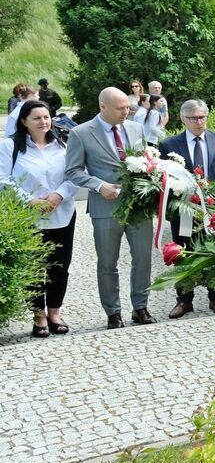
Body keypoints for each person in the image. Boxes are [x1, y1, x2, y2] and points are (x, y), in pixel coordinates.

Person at [63, 87, 155, 329]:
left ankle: (141, 307)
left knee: (144, 259)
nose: (126, 112)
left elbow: (146, 160)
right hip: (105, 207)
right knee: (107, 262)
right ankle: (113, 312)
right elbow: (72, 171)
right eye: (120, 108)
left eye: (128, 107)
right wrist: (99, 185)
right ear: (102, 106)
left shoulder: (135, 127)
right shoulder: (80, 133)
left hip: (138, 206)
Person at [1, 100, 77, 337]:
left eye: (46, 117)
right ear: (24, 121)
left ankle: (54, 312)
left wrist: (57, 195)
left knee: (60, 266)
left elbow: (75, 175)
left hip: (62, 213)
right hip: (27, 216)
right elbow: (4, 180)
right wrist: (31, 201)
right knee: (32, 268)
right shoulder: (9, 146)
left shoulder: (64, 144)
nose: (43, 122)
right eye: (36, 118)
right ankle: (38, 316)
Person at [160, 100, 215, 319]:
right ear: (183, 119)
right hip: (184, 211)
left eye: (203, 117)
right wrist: (184, 197)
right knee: (182, 254)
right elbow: (163, 178)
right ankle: (184, 300)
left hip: (214, 210)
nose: (199, 121)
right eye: (194, 118)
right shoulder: (169, 145)